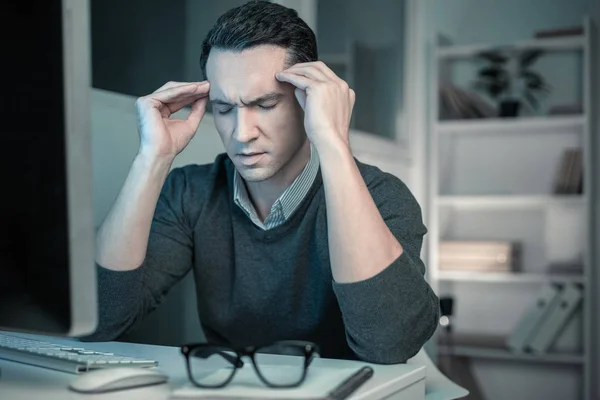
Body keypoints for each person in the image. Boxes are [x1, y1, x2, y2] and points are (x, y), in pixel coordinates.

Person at [84, 0, 439, 364]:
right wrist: (151, 159)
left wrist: (332, 141)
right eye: (224, 109)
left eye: (266, 105)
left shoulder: (383, 197)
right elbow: (98, 322)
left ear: (309, 99)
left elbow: (391, 344)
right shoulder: (190, 193)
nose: (242, 133)